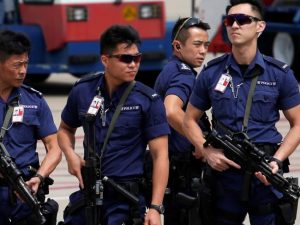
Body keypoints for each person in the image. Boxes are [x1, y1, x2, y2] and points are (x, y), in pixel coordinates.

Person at [183, 0, 300, 224]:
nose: (234, 25)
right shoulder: (212, 72)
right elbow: (189, 119)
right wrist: (206, 152)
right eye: (229, 20)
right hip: (224, 174)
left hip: (264, 172)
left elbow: (298, 124)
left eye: (243, 20)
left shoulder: (279, 74)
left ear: (260, 26)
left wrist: (277, 160)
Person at [58, 25, 169, 225]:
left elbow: (160, 156)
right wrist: (70, 155)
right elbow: (65, 128)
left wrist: (155, 207)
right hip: (89, 193)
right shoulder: (83, 91)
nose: (133, 64)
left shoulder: (148, 100)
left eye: (137, 58)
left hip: (125, 196)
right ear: (105, 60)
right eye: (126, 59)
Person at [0, 30, 62, 224]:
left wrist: (40, 176)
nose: (23, 71)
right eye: (17, 65)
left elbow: (54, 147)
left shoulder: (34, 100)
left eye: (26, 64)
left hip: (25, 189)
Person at [153, 17, 211, 225]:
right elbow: (171, 110)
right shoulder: (183, 75)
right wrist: (200, 142)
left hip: (175, 167)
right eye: (197, 44)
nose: (203, 51)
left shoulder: (170, 69)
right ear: (178, 46)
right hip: (184, 170)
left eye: (206, 45)